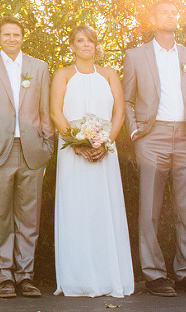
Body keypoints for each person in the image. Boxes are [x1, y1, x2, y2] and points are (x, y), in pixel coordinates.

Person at [122, 0, 186, 296]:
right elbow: (127, 100)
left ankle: (185, 272)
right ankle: (154, 274)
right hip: (153, 136)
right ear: (152, 19)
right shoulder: (136, 56)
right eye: (164, 12)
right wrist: (136, 131)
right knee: (149, 208)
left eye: (174, 13)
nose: (171, 16)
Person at [50, 26, 134, 298]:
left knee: (102, 209)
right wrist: (76, 142)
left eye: (90, 41)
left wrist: (106, 142)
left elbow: (119, 111)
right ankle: (77, 279)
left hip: (104, 150)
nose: (85, 45)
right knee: (76, 209)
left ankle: (109, 276)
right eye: (80, 41)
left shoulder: (109, 74)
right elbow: (55, 111)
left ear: (96, 46)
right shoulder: (63, 74)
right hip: (72, 152)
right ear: (72, 46)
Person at [0, 16, 52, 298]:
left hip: (31, 150)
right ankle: (4, 275)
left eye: (16, 34)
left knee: (29, 217)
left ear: (22, 37)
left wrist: (47, 145)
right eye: (6, 35)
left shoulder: (38, 67)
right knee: (1, 215)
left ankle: (25, 275)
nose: (12, 39)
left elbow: (45, 110)